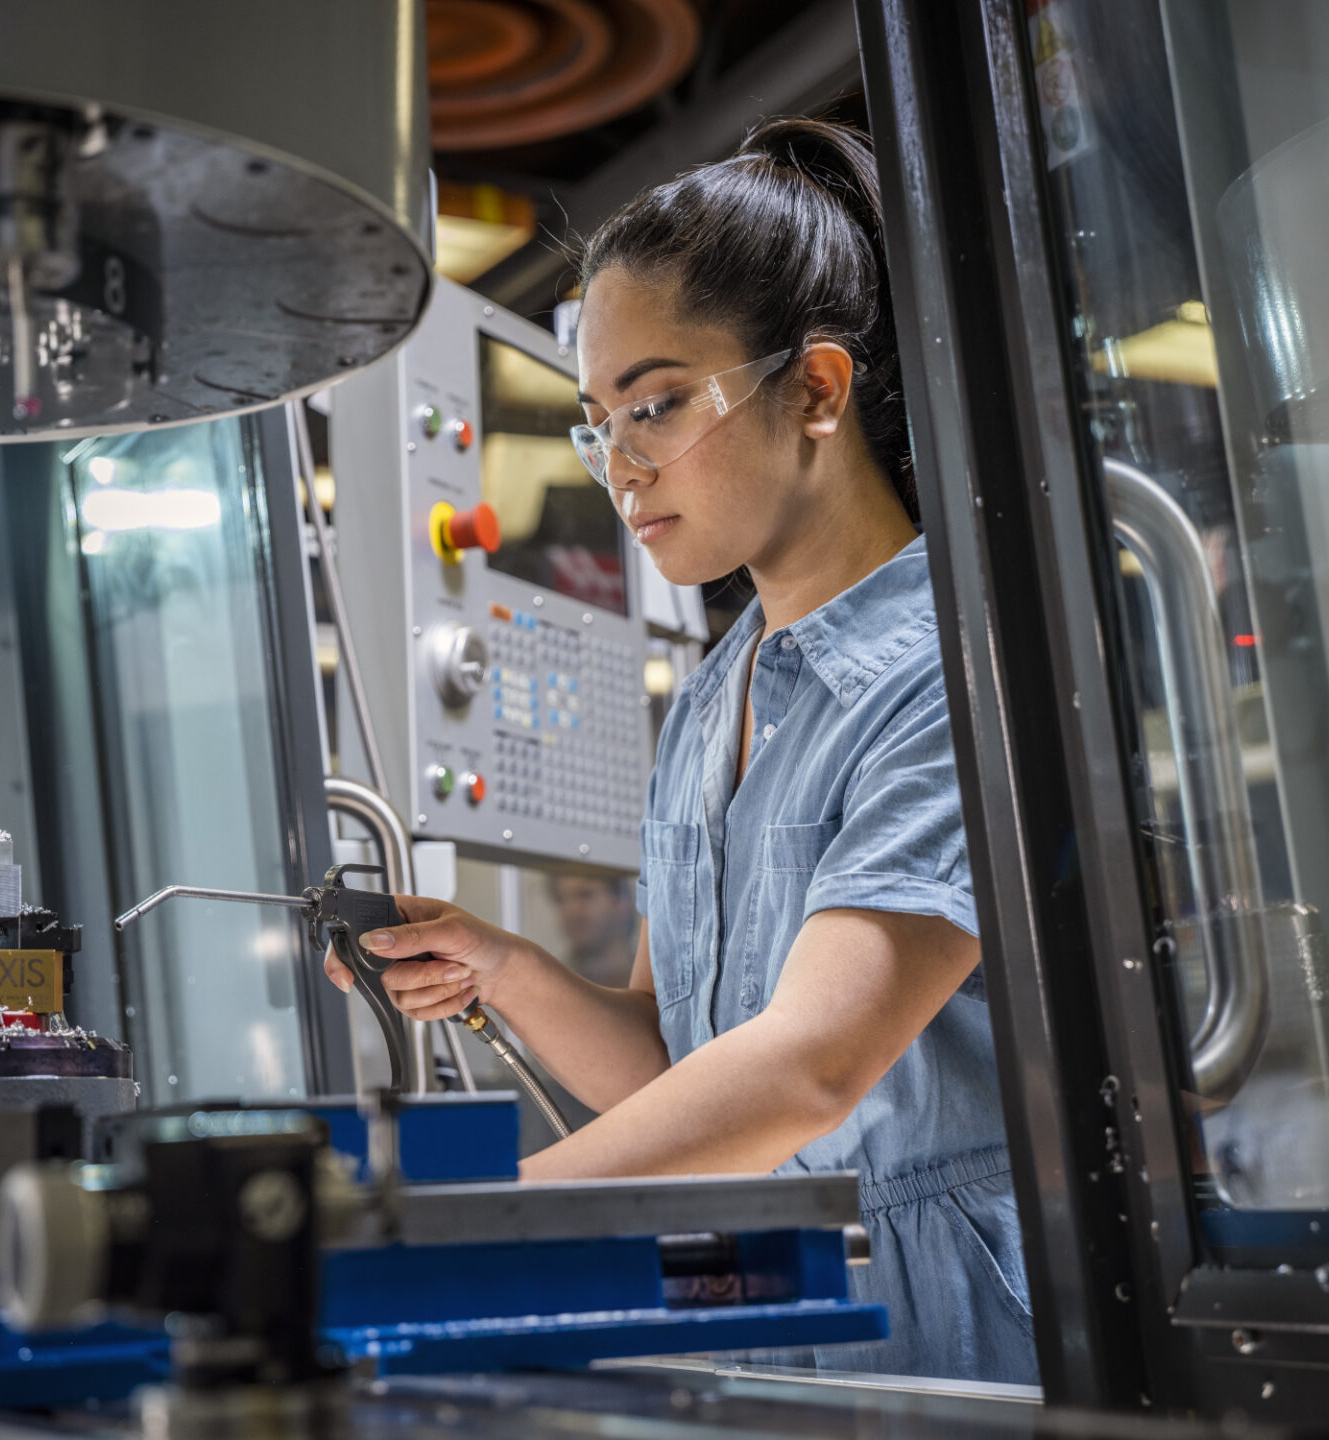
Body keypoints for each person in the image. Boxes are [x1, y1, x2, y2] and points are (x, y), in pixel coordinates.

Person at [327, 118, 1036, 1384]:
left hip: (945, 1325)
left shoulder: (946, 665)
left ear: (816, 390)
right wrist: (508, 968)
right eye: (597, 420)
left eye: (654, 404)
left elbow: (812, 1066)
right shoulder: (715, 698)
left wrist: (470, 1222)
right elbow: (672, 1058)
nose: (617, 465)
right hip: (774, 1305)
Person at [547, 873, 639, 986]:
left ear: (622, 901)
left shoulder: (653, 983)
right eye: (561, 899)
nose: (571, 910)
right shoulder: (551, 983)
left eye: (585, 895)